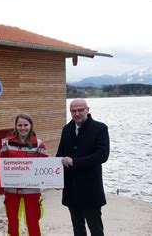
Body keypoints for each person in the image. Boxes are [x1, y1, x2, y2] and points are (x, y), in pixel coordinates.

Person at [56, 98, 110, 236]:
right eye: (73, 111)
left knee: (96, 228)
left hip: (90, 189)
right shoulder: (66, 129)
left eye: (80, 110)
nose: (77, 113)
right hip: (71, 189)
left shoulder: (100, 128)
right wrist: (55, 178)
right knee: (77, 228)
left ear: (88, 110)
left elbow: (102, 156)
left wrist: (75, 161)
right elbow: (60, 155)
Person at [0, 114, 48, 236]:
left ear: (31, 126)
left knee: (33, 223)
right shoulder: (7, 144)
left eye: (26, 125)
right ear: (16, 126)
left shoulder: (40, 145)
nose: (23, 128)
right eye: (20, 125)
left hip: (32, 192)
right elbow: (0, 164)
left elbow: (46, 167)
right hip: (11, 192)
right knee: (12, 223)